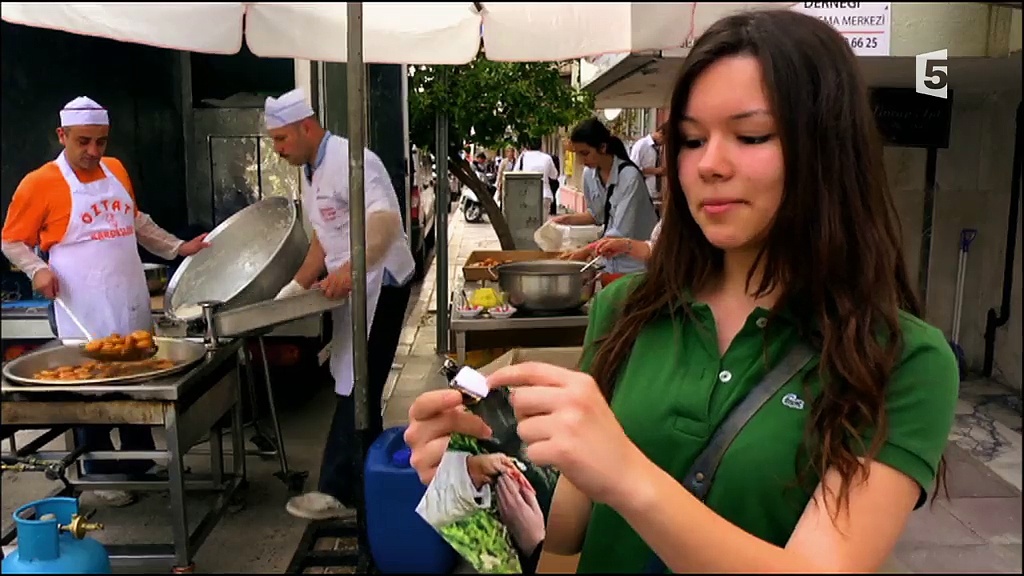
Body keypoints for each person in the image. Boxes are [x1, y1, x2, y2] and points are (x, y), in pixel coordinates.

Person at [403, 8, 959, 574]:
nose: (708, 164)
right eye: (691, 140)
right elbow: (564, 528)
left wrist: (625, 473)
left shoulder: (900, 359)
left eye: (751, 135)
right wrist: (475, 476)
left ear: (828, 149)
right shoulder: (628, 309)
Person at [0, 96, 210, 507]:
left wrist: (178, 247)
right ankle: (100, 471)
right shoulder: (40, 182)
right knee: (89, 383)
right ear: (62, 136)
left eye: (101, 142)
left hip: (127, 293)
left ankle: (141, 460)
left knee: (139, 376)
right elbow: (11, 240)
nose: (94, 152)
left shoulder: (115, 170)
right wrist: (36, 270)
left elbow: (136, 222)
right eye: (84, 142)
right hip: (81, 300)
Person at [265, 88, 415, 520]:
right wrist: (296, 286)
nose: (277, 150)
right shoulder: (310, 173)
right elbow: (322, 238)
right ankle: (371, 484)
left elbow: (385, 224)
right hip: (352, 289)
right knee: (349, 380)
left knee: (358, 385)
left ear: (306, 127)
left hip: (381, 285)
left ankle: (336, 489)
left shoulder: (354, 161)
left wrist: (348, 270)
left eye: (281, 140)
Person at [557, 118, 658, 274]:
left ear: (602, 147)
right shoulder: (589, 174)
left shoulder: (629, 177)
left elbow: (621, 232)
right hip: (608, 263)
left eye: (585, 153)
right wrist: (564, 220)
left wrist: (586, 251)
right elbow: (596, 215)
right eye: (578, 155)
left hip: (636, 266)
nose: (582, 161)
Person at [509, 138, 559, 217]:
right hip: (545, 194)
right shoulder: (547, 158)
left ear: (528, 146)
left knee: (529, 221)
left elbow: (515, 173)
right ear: (541, 146)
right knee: (543, 222)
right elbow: (554, 176)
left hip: (527, 194)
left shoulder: (523, 157)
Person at [628, 122, 667, 205]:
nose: (663, 143)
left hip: (653, 194)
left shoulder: (656, 148)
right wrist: (655, 171)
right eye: (664, 140)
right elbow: (633, 169)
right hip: (642, 192)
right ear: (660, 133)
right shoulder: (641, 145)